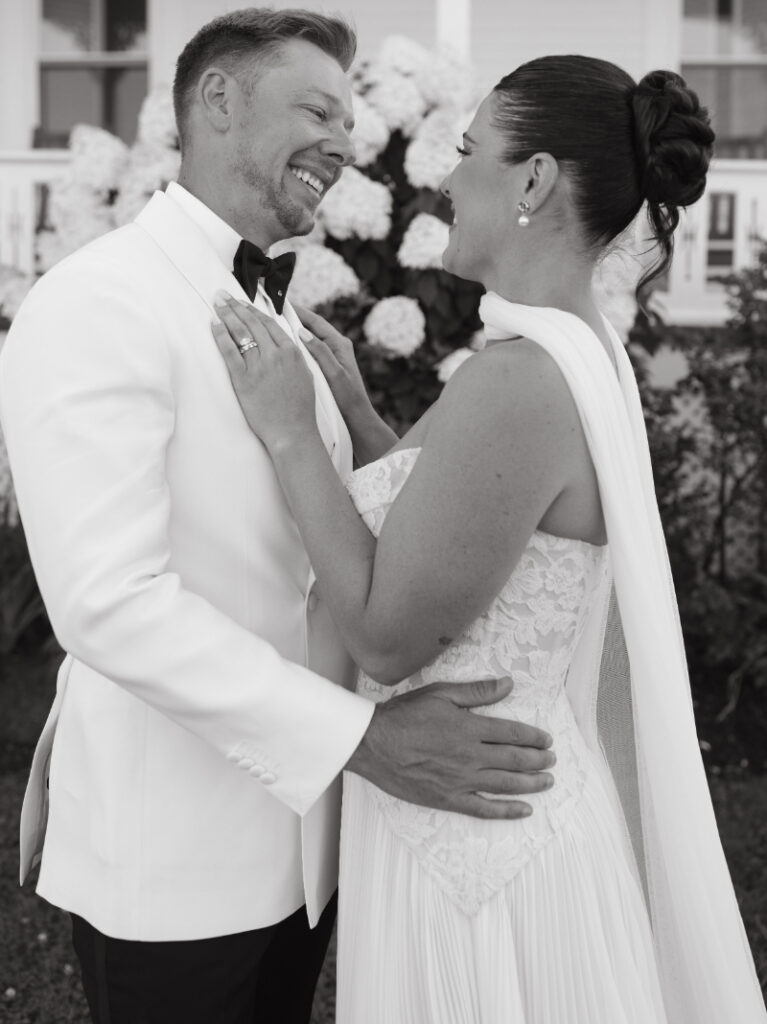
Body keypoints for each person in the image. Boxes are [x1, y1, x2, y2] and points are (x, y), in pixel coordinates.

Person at [0, 11, 556, 1024]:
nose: (345, 143)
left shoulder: (286, 326)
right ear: (217, 100)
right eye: (315, 108)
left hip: (301, 859)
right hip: (169, 866)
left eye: (348, 117)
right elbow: (108, 604)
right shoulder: (95, 302)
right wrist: (362, 740)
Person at [210, 55, 767, 1023]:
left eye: (467, 150)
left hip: (483, 870)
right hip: (481, 826)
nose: (444, 175)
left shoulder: (516, 382)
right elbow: (466, 535)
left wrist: (294, 428)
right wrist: (359, 413)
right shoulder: (560, 348)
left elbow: (385, 631)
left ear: (534, 179)